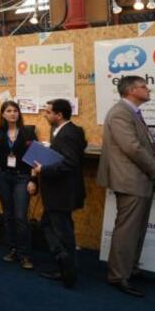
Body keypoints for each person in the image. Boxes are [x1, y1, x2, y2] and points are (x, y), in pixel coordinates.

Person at [98, 76, 155, 297]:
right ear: (131, 90)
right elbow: (133, 148)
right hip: (130, 180)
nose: (148, 89)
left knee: (136, 229)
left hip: (138, 179)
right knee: (127, 231)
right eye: (144, 86)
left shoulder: (131, 112)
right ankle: (118, 276)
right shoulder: (120, 113)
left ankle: (130, 269)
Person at [28, 98, 87, 289]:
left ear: (59, 115)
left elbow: (69, 163)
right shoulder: (70, 131)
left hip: (61, 193)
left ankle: (67, 270)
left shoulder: (67, 134)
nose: (45, 115)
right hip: (60, 192)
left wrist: (43, 170)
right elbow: (80, 147)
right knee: (48, 224)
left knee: (63, 233)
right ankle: (64, 263)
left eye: (48, 112)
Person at [0, 100, 38, 270]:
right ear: (3, 114)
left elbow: (35, 159)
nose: (12, 113)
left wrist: (33, 181)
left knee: (20, 216)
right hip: (2, 177)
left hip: (22, 178)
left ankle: (25, 254)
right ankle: (12, 249)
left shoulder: (28, 132)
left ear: (19, 113)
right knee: (8, 215)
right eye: (8, 111)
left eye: (15, 110)